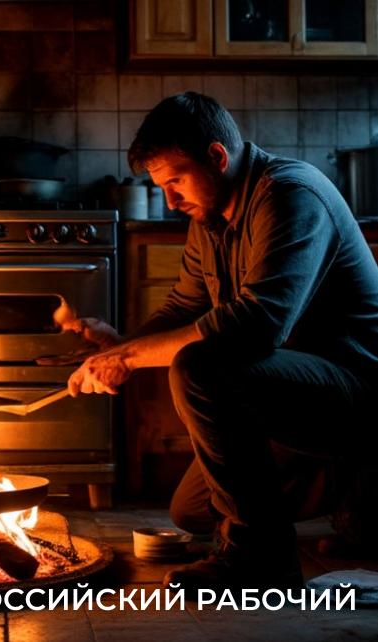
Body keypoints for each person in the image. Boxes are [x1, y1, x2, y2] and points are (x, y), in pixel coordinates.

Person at [56, 92, 378, 592]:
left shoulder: (291, 195)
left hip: (354, 388)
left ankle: (262, 560)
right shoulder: (210, 218)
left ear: (216, 157)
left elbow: (257, 324)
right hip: (291, 397)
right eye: (160, 187)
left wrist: (130, 358)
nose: (170, 201)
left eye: (175, 181)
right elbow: (183, 307)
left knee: (200, 366)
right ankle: (354, 490)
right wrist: (117, 347)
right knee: (193, 512)